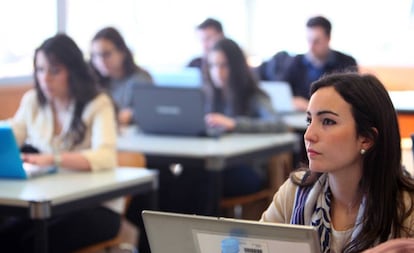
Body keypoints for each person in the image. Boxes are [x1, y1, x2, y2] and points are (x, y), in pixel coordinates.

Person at [261, 72, 414, 252]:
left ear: (367, 139)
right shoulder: (295, 193)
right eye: (309, 120)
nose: (309, 135)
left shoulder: (407, 207)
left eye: (327, 121)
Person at [0, 34, 120, 252]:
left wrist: (52, 159)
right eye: (40, 70)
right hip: (50, 201)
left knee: (32, 243)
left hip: (95, 206)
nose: (46, 78)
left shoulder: (98, 103)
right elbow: (11, 133)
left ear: (72, 71)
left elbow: (106, 157)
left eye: (55, 71)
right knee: (6, 237)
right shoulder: (33, 101)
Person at [204, 38, 288, 197]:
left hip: (248, 169)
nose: (217, 72)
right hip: (218, 164)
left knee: (203, 181)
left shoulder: (253, 95)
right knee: (181, 177)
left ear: (236, 67)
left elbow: (279, 124)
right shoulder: (209, 95)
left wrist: (235, 124)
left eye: (224, 65)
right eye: (213, 66)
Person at [283, 16, 358, 111]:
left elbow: (350, 99)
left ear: (328, 38)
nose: (311, 47)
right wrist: (291, 101)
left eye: (316, 41)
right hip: (299, 116)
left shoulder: (346, 63)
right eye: (309, 40)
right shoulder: (295, 62)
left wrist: (310, 106)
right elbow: (283, 93)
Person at [90, 26, 153, 125]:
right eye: (95, 55)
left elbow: (151, 111)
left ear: (122, 52)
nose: (100, 61)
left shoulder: (141, 79)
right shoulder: (93, 81)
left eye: (106, 54)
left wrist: (131, 116)